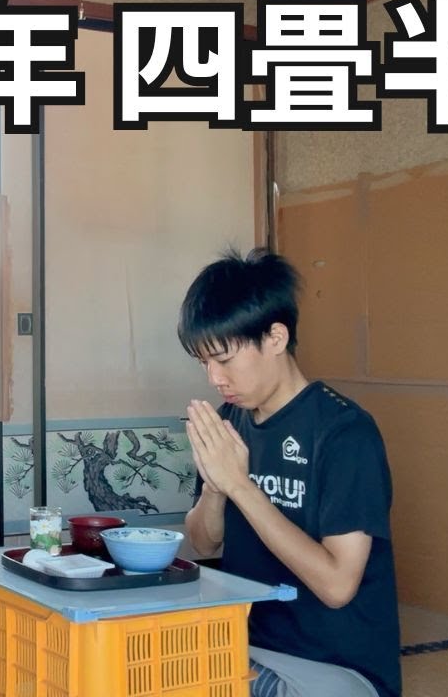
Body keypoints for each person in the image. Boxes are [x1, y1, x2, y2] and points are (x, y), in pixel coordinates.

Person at [177, 248, 400, 697]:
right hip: (245, 645)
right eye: (204, 363)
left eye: (224, 359)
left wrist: (241, 486)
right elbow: (203, 543)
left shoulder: (344, 433)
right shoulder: (228, 423)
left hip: (333, 666)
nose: (214, 377)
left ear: (276, 338)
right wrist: (215, 488)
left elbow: (337, 586)